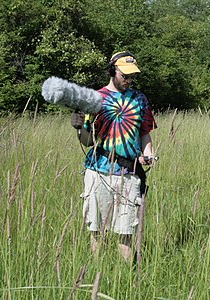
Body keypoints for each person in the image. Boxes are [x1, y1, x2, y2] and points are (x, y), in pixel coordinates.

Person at [70, 51, 157, 261]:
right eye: (124, 75)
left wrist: (148, 154)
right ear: (112, 71)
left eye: (131, 76)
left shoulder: (139, 99)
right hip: (98, 171)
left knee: (126, 232)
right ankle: (98, 272)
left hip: (129, 173)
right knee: (97, 229)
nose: (128, 80)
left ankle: (129, 279)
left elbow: (144, 132)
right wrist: (79, 128)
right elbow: (88, 141)